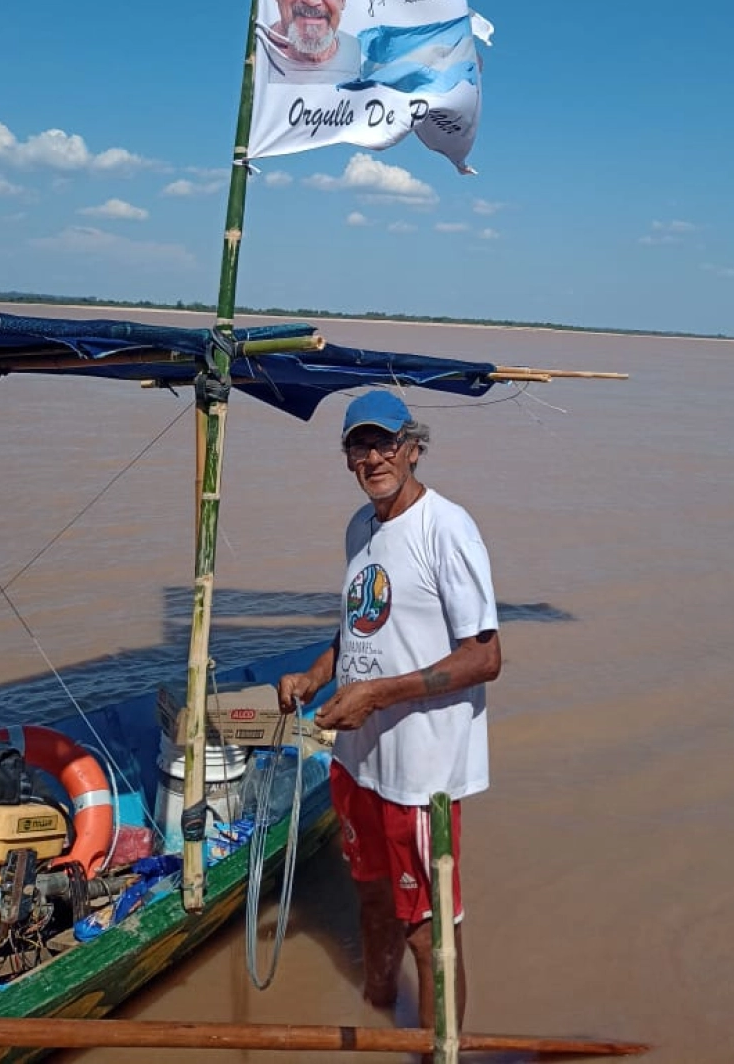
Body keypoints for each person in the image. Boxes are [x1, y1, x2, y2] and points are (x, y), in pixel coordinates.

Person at [278, 389, 501, 1026]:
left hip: (419, 777)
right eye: (359, 444)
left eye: (386, 443)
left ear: (413, 448)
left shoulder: (447, 528)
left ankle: (439, 1049)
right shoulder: (359, 527)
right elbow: (358, 628)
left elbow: (484, 657)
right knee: (371, 899)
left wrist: (377, 694)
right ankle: (380, 1013)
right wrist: (316, 676)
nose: (373, 456)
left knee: (428, 935)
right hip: (356, 762)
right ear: (347, 456)